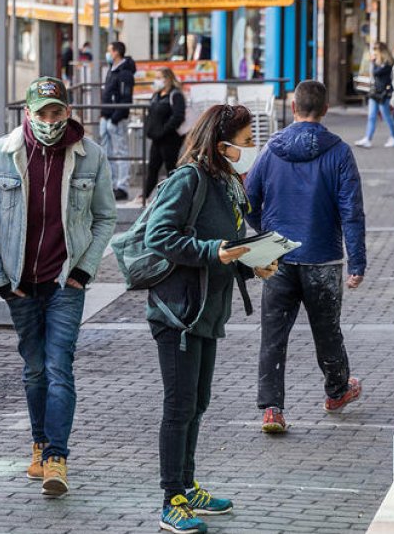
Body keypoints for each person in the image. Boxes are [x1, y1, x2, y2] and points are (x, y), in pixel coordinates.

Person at [0, 76, 116, 498]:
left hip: (64, 282)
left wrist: (85, 270)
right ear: (27, 114)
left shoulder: (91, 156)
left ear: (68, 112)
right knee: (34, 369)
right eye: (42, 113)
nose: (49, 120)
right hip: (19, 284)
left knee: (59, 368)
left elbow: (106, 217)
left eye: (57, 112)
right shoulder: (0, 154)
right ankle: (38, 442)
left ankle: (56, 455)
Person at [144, 104, 276, 534]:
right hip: (178, 313)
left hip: (207, 311)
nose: (250, 148)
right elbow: (159, 235)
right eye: (245, 141)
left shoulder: (226, 183)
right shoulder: (190, 179)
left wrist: (250, 264)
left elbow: (226, 247)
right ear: (221, 144)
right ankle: (172, 500)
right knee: (179, 407)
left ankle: (187, 484)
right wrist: (210, 252)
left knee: (197, 405)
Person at [246, 80, 367, 434]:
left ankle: (272, 408)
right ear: (325, 109)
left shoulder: (271, 150)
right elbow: (351, 211)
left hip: (278, 255)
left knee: (273, 334)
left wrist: (265, 233)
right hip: (323, 256)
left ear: (294, 107)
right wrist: (356, 261)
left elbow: (248, 199)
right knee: (327, 331)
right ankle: (337, 390)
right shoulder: (339, 152)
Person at [142, 67, 187, 205]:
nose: (157, 80)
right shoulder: (156, 95)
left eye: (159, 77)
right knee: (153, 168)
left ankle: (174, 198)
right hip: (156, 138)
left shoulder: (175, 95)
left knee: (171, 168)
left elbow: (178, 116)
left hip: (170, 138)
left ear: (168, 79)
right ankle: (145, 196)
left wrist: (164, 129)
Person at [101, 41, 136, 200]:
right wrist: (103, 114)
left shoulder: (124, 74)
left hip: (116, 119)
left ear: (116, 52)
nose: (107, 54)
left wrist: (115, 118)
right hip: (107, 117)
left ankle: (122, 186)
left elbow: (125, 98)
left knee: (121, 152)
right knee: (107, 152)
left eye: (109, 50)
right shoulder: (112, 70)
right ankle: (112, 184)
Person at [355, 42, 394, 148]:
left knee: (386, 116)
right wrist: (374, 62)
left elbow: (377, 73)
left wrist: (373, 62)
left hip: (383, 94)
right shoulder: (377, 62)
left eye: (375, 51)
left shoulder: (388, 62)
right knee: (371, 116)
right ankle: (368, 138)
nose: (374, 53)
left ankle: (393, 137)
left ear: (381, 51)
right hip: (375, 92)